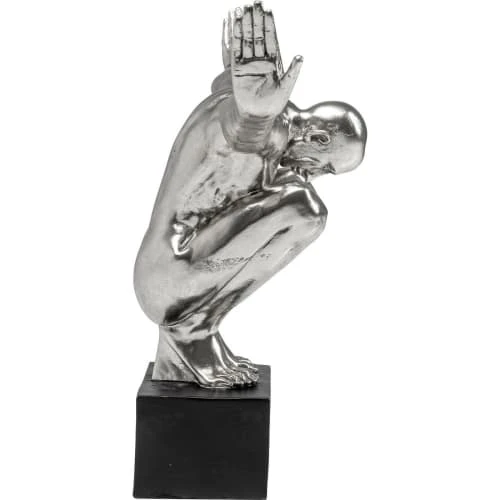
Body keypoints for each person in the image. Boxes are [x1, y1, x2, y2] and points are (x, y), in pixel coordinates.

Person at [134, 1, 367, 388]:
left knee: (298, 200)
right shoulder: (272, 130)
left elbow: (228, 117)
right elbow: (241, 134)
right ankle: (191, 331)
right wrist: (254, 116)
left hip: (165, 273)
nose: (318, 173)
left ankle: (195, 336)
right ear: (318, 138)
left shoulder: (267, 121)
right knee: (306, 209)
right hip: (171, 275)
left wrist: (237, 83)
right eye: (327, 165)